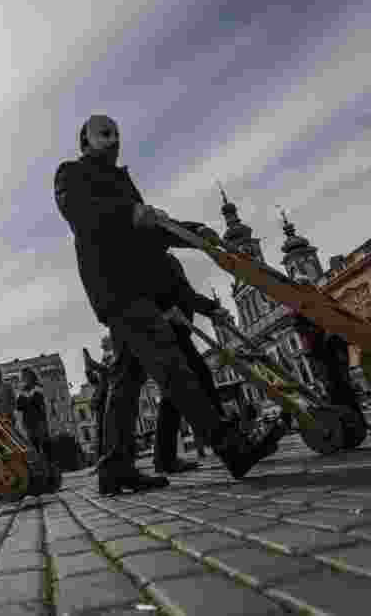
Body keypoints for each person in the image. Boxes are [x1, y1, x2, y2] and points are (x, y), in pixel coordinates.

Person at [54, 113, 284, 494]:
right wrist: (128, 213)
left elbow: (151, 233)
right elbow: (80, 214)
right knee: (174, 367)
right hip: (119, 290)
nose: (113, 141)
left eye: (116, 134)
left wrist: (197, 233)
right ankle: (234, 449)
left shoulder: (121, 182)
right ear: (85, 140)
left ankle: (114, 469)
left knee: (126, 383)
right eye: (104, 134)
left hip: (138, 291)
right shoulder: (72, 174)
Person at [153, 251, 234, 474]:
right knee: (202, 378)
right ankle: (228, 441)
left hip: (171, 329)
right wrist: (210, 308)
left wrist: (210, 308)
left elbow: (184, 294)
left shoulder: (160, 257)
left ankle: (164, 457)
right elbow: (180, 294)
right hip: (168, 330)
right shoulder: (154, 257)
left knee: (172, 393)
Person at [289, 275, 371, 426]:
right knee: (332, 387)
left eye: (308, 285)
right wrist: (321, 331)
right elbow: (299, 327)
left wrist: (340, 328)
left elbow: (341, 313)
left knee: (346, 384)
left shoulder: (324, 298)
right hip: (319, 350)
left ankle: (359, 421)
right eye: (303, 287)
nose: (308, 289)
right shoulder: (298, 306)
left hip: (336, 346)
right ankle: (342, 423)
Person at [16, 368, 51, 459]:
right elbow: (19, 406)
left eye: (25, 376)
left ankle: (51, 469)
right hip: (28, 423)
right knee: (35, 448)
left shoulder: (38, 387)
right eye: (22, 377)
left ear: (31, 376)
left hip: (39, 422)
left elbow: (38, 402)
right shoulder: (22, 391)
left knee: (45, 447)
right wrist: (26, 399)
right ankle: (43, 469)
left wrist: (26, 400)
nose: (23, 378)